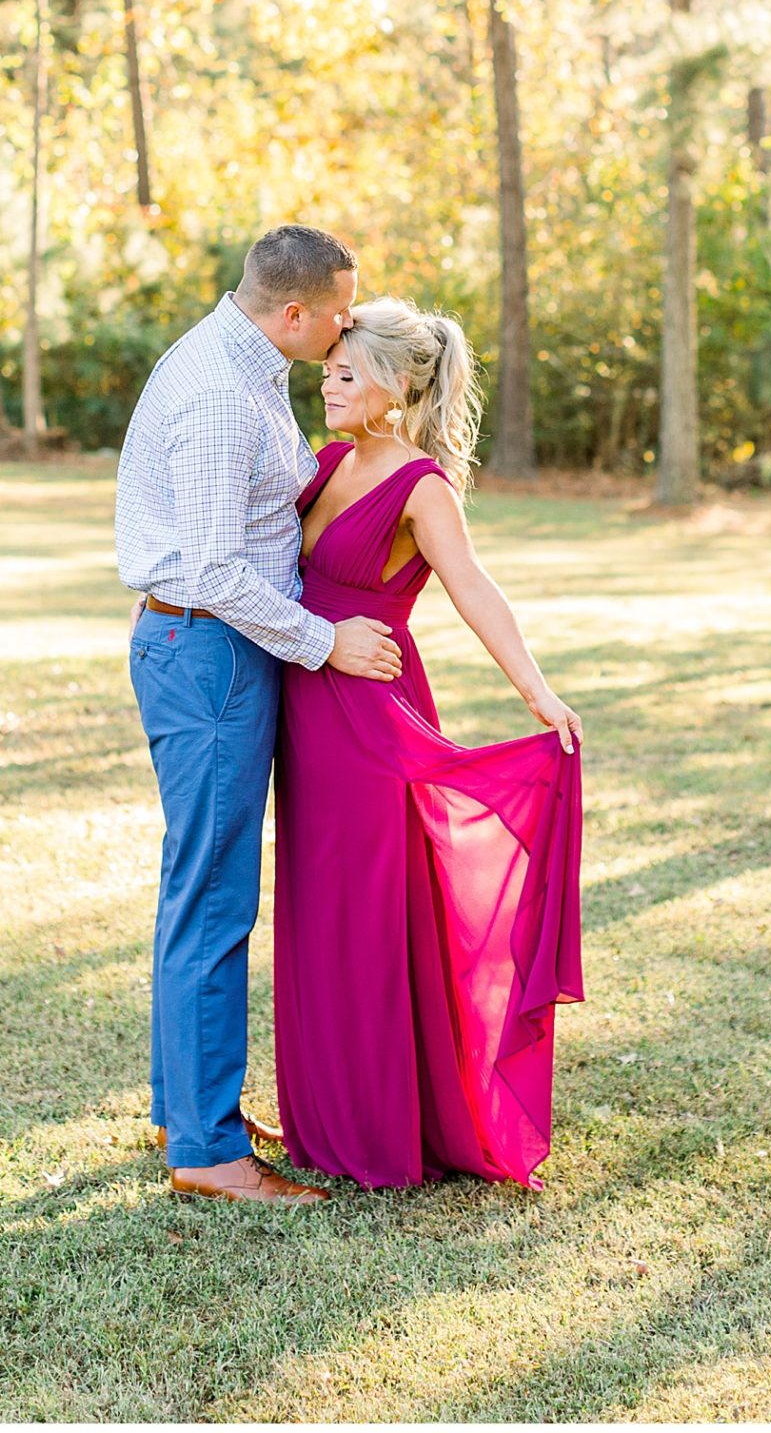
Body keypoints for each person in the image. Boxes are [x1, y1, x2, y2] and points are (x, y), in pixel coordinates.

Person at [118, 224, 404, 1207]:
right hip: (209, 657)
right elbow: (208, 568)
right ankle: (205, 1148)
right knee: (214, 898)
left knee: (195, 886)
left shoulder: (248, 364)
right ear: (292, 315)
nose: (347, 327)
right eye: (338, 314)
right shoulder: (218, 395)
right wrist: (324, 642)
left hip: (213, 650)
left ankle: (186, 1106)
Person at [273, 296, 584, 1191]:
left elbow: (475, 590)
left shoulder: (421, 488)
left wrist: (537, 692)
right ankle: (322, 1115)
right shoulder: (329, 459)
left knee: (369, 914)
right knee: (317, 911)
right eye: (327, 369)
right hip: (305, 707)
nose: (326, 383)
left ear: (395, 386)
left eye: (344, 372)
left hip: (368, 719)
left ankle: (384, 1127)